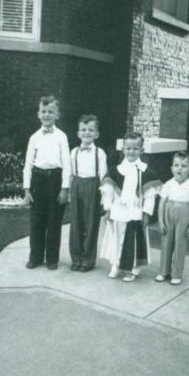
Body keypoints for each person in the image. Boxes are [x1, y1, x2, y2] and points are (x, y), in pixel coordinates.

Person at [100, 131, 161, 282]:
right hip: (118, 210)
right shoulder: (116, 170)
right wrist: (107, 209)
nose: (131, 151)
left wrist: (147, 214)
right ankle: (115, 264)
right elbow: (108, 192)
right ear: (123, 149)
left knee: (132, 239)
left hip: (135, 211)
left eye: (135, 148)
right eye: (128, 148)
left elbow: (149, 196)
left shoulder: (146, 171)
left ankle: (132, 268)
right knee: (116, 238)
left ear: (142, 150)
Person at [23, 95, 71, 270]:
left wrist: (65, 188)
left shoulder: (62, 137)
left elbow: (67, 164)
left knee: (53, 221)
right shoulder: (34, 137)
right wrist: (27, 189)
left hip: (55, 181)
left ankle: (52, 259)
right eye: (43, 111)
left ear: (57, 115)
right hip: (38, 180)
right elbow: (27, 164)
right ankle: (35, 257)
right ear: (38, 114)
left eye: (51, 111)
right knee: (36, 221)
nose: (47, 115)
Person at [156, 151, 189, 285]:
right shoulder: (168, 184)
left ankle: (176, 274)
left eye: (183, 166)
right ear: (171, 169)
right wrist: (160, 221)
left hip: (184, 215)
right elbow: (162, 203)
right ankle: (163, 271)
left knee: (180, 244)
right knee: (166, 242)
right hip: (168, 214)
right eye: (176, 165)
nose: (179, 168)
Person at [69, 114, 107, 272]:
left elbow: (104, 178)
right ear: (78, 133)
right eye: (83, 130)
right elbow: (70, 174)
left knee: (91, 225)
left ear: (96, 134)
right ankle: (76, 258)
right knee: (76, 224)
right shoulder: (74, 152)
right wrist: (70, 193)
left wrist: (105, 199)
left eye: (90, 130)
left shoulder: (100, 153)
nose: (87, 133)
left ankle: (88, 259)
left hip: (93, 187)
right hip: (77, 185)